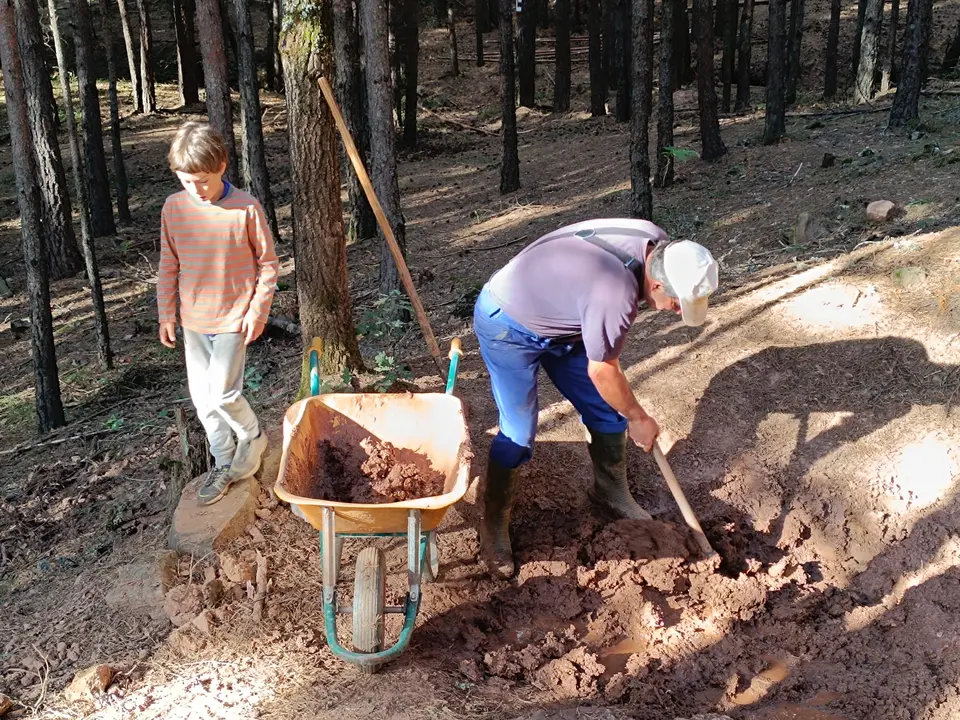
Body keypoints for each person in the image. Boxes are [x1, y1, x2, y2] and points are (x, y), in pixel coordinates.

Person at [473, 218, 718, 578]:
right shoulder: (613, 293)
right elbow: (602, 371)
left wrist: (625, 413)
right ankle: (493, 524)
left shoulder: (661, 248)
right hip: (509, 322)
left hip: (566, 320)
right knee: (518, 432)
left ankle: (610, 493)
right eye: (677, 303)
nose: (677, 311)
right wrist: (639, 417)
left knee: (606, 411)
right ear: (657, 283)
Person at [157, 122, 279, 505]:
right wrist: (166, 314)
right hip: (194, 323)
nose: (196, 189)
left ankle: (254, 436)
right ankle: (223, 463)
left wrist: (257, 313)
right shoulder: (174, 208)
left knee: (224, 394)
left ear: (222, 166)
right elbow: (168, 265)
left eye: (204, 181)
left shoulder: (245, 208)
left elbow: (269, 264)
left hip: (233, 320)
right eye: (187, 181)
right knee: (203, 403)